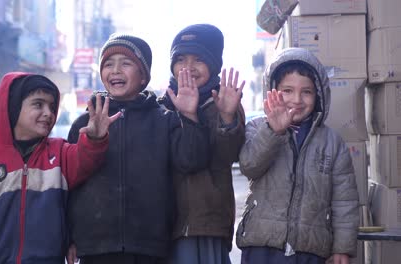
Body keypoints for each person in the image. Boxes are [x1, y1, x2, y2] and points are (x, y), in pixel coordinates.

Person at [0, 72, 119, 264]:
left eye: (52, 107)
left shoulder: (60, 153)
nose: (48, 113)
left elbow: (86, 160)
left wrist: (95, 139)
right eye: (38, 104)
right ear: (13, 107)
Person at [65, 34, 209, 264]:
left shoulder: (164, 120)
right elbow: (68, 183)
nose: (115, 70)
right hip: (96, 247)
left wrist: (190, 116)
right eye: (109, 64)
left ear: (143, 76)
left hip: (149, 246)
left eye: (126, 63)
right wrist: (69, 237)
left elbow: (191, 161)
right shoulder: (84, 124)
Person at [236, 47, 359, 264]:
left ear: (319, 94)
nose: (297, 100)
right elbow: (249, 166)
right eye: (287, 90)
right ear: (273, 91)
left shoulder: (332, 143)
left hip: (309, 250)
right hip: (262, 247)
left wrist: (342, 247)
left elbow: (344, 200)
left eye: (307, 92)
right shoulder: (258, 128)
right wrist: (274, 131)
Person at [157, 23, 245, 264]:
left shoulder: (224, 104)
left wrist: (227, 117)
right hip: (165, 225)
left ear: (214, 64)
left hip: (207, 225)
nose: (188, 68)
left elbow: (228, 156)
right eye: (181, 59)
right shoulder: (162, 107)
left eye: (198, 59)